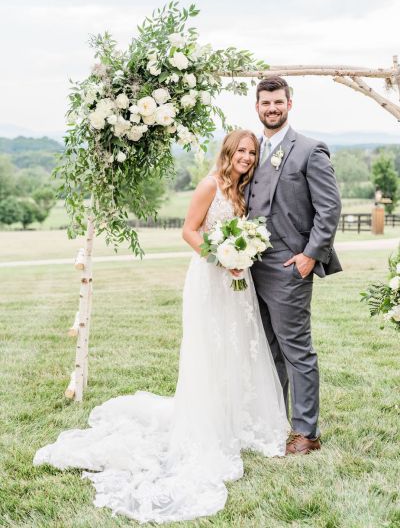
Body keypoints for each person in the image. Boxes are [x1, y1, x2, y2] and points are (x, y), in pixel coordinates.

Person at [34, 130, 289, 524]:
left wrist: (242, 254)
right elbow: (189, 230)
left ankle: (237, 417)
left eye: (253, 152)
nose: (248, 157)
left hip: (237, 282)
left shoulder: (242, 188)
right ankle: (208, 420)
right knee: (209, 349)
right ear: (228, 152)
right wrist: (221, 257)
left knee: (238, 346)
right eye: (242, 150)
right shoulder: (210, 185)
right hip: (210, 278)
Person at [247, 76, 342, 455]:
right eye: (265, 103)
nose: (272, 108)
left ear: (289, 104)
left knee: (296, 349)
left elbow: (329, 208)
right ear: (257, 107)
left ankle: (307, 433)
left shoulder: (308, 150)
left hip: (290, 266)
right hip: (251, 266)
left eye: (278, 102)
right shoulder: (250, 149)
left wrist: (310, 256)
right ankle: (274, 421)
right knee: (267, 348)